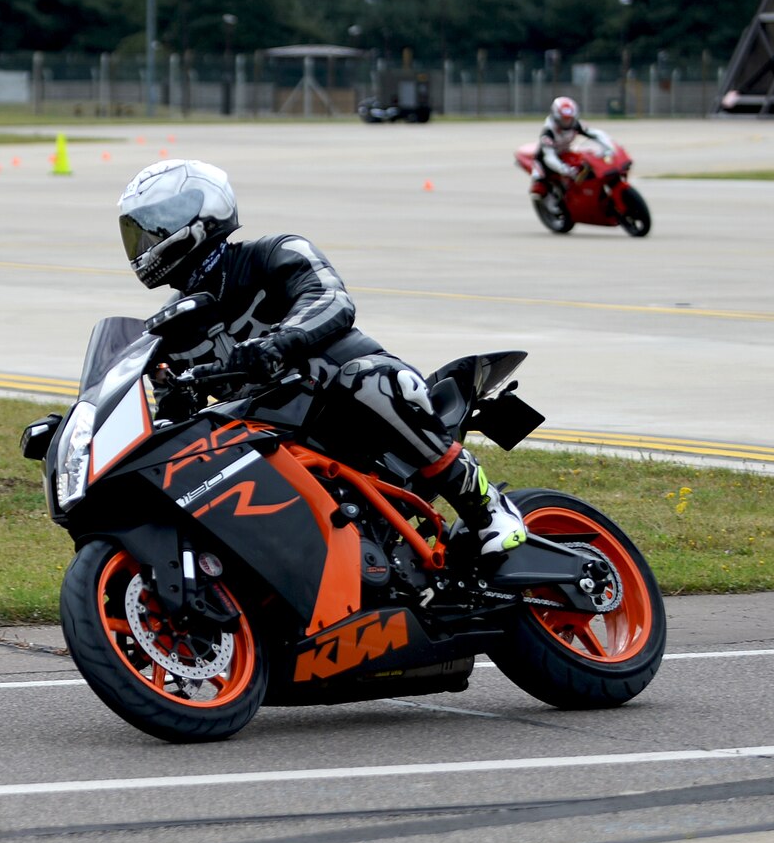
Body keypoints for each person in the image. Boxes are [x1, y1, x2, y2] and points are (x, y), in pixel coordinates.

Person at [116, 158, 529, 554]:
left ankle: (487, 507)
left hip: (343, 404)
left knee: (368, 380)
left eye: (152, 227)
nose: (145, 242)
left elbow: (331, 299)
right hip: (274, 434)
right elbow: (174, 416)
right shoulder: (172, 327)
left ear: (198, 213)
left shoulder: (275, 252)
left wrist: (277, 343)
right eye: (137, 232)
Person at [536, 95, 606, 191]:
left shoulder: (576, 124)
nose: (567, 122)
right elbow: (549, 157)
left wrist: (608, 147)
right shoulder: (548, 133)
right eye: (564, 119)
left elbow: (596, 134)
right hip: (546, 159)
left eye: (569, 119)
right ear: (556, 117)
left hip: (566, 153)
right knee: (541, 183)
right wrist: (564, 169)